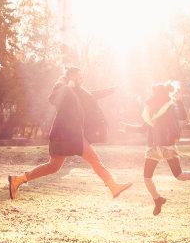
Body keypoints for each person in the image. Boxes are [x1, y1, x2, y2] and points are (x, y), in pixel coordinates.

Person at [8, 66, 132, 199]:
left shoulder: (77, 91)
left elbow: (92, 95)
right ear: (72, 77)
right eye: (80, 76)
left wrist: (112, 90)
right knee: (92, 158)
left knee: (53, 167)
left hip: (70, 134)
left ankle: (18, 179)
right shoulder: (62, 87)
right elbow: (53, 98)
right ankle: (113, 186)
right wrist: (68, 86)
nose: (82, 78)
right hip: (65, 134)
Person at [120, 82, 190, 215]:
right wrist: (126, 127)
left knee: (179, 175)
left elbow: (183, 116)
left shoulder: (170, 107)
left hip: (167, 146)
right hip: (153, 148)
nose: (151, 95)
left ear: (160, 94)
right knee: (146, 178)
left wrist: (179, 101)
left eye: (153, 93)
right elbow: (142, 129)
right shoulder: (149, 110)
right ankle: (157, 199)